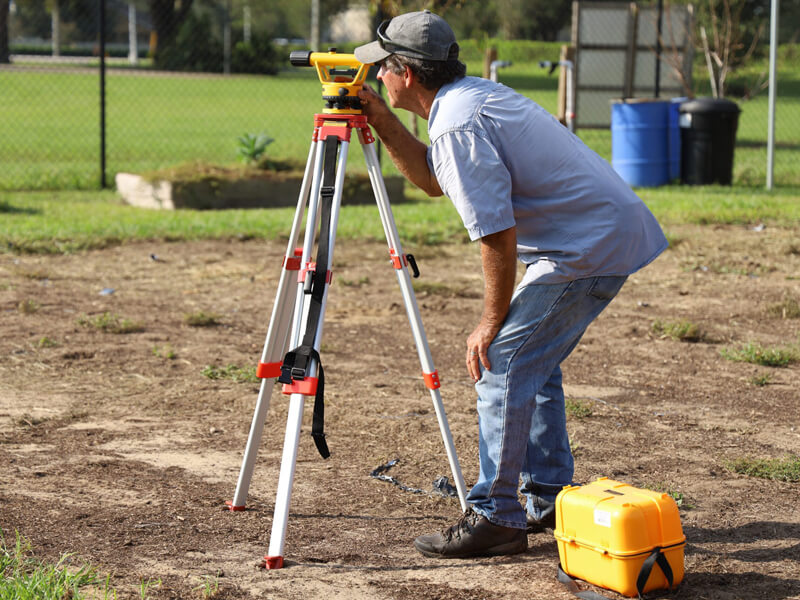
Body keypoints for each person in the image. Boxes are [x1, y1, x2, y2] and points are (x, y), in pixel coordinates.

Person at [354, 10, 668, 559]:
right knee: (531, 364)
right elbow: (433, 180)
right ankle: (547, 495)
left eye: (383, 69)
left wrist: (487, 322)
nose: (376, 76)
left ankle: (497, 516)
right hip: (593, 238)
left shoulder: (457, 122)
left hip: (584, 248)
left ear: (408, 72)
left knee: (500, 360)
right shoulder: (464, 100)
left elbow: (496, 233)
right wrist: (379, 118)